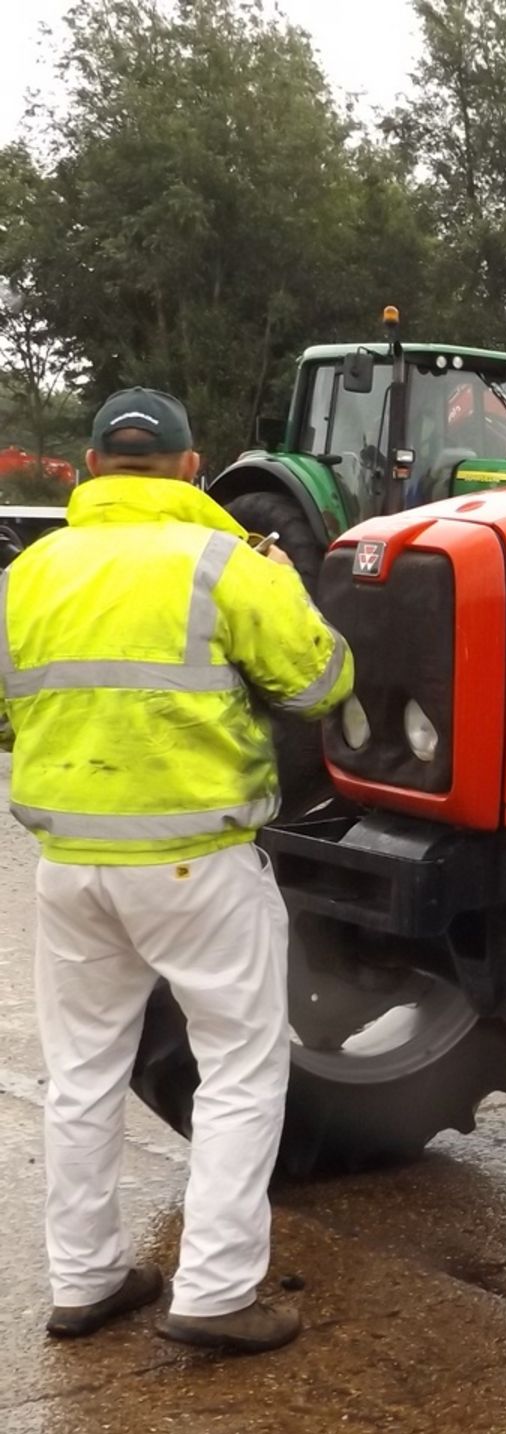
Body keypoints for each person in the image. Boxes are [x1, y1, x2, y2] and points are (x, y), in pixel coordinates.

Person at [0, 388, 354, 1354]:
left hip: (70, 869)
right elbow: (321, 682)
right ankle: (214, 1292)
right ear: (193, 469)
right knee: (240, 1067)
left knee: (80, 1076)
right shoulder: (225, 564)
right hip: (198, 867)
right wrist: (289, 586)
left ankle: (85, 1279)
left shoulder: (29, 574)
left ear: (87, 467)